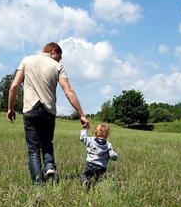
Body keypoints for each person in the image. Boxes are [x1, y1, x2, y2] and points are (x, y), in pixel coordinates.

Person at [7, 42, 89, 184]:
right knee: (47, 143)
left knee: (33, 150)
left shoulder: (26, 61)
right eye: (60, 56)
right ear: (53, 51)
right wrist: (81, 114)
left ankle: (39, 184)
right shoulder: (57, 67)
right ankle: (50, 166)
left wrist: (10, 108)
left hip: (30, 110)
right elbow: (68, 91)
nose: (60, 59)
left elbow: (14, 86)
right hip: (48, 112)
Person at [80, 123, 118, 188]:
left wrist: (85, 129)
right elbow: (112, 155)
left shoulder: (91, 140)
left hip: (91, 164)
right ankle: (96, 186)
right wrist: (115, 156)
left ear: (95, 133)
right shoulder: (108, 145)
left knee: (85, 175)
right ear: (107, 135)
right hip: (102, 167)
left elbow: (83, 138)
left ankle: (85, 181)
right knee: (98, 178)